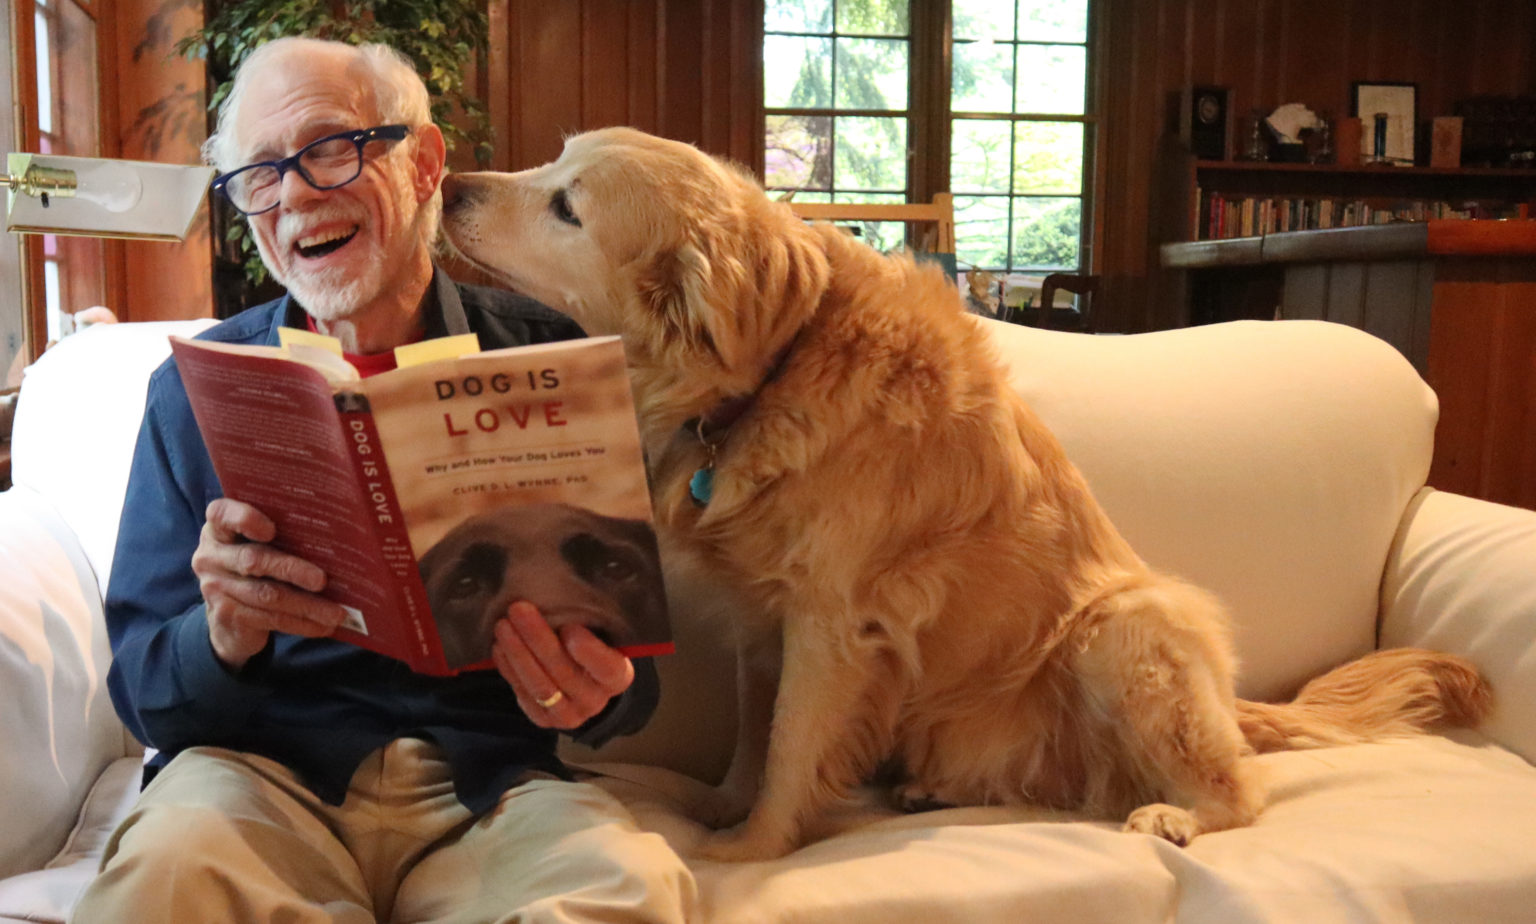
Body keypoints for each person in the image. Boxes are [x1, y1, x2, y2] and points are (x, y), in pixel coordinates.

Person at [75, 37, 696, 923]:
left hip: (489, 789)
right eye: (260, 174)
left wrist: (605, 689)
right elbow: (143, 689)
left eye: (329, 147)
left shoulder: (553, 358)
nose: (293, 194)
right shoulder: (193, 390)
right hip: (257, 783)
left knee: (623, 892)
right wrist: (221, 634)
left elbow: (633, 676)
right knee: (162, 878)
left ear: (425, 162)